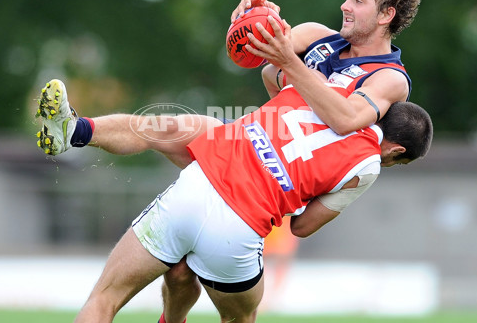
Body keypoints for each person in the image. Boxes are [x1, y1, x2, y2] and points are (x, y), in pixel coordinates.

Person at [36, 0, 422, 323]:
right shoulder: (318, 37)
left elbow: (346, 118)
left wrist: (290, 65)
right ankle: (74, 130)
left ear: (387, 15)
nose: (345, 6)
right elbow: (267, 70)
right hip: (243, 181)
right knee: (172, 126)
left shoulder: (390, 77)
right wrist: (254, 22)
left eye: (358, 0)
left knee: (113, 296)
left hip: (236, 184)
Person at [69, 82, 432, 323]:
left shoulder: (322, 88)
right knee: (240, 318)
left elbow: (273, 71)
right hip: (238, 228)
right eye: (397, 161)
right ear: (398, 150)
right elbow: (301, 227)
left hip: (197, 185)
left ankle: (79, 129)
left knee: (104, 300)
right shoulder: (368, 167)